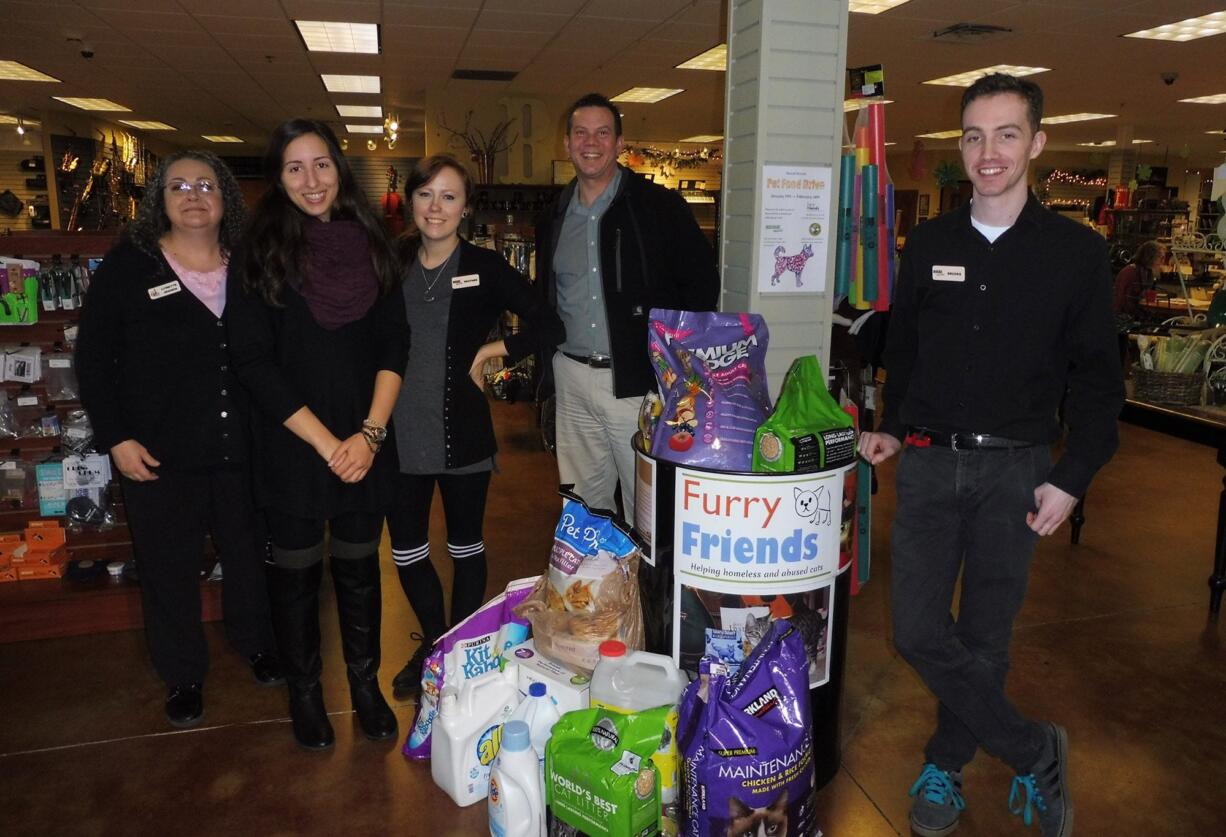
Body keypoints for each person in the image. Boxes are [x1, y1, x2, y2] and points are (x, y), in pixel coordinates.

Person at [858, 73, 1123, 837]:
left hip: (1018, 471)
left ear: (1037, 143)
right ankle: (1032, 746)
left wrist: (1071, 478)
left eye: (1007, 134)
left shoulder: (1075, 254)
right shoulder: (932, 244)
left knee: (984, 636)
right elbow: (904, 349)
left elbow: (1099, 387)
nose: (989, 151)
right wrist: (891, 423)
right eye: (974, 136)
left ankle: (945, 763)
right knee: (915, 630)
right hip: (933, 464)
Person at [76, 150, 282, 729]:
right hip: (159, 454)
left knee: (248, 557)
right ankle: (183, 675)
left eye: (206, 184)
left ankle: (258, 645)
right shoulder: (130, 266)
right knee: (168, 568)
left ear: (226, 199)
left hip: (244, 448)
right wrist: (115, 437)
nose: (193, 194)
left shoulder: (250, 263)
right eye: (178, 185)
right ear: (159, 200)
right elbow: (94, 358)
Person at [229, 120, 407, 751]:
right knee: (297, 576)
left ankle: (365, 686)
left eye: (322, 164)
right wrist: (328, 444)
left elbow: (395, 344)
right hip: (294, 446)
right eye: (295, 167)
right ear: (278, 179)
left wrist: (369, 434)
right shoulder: (260, 253)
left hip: (365, 444)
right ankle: (304, 692)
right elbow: (252, 361)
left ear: (340, 171)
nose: (311, 179)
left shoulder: (374, 245)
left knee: (360, 569)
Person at [386, 154, 564, 699]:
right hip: (394, 430)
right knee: (408, 549)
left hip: (460, 427)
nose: (435, 207)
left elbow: (548, 323)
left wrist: (494, 349)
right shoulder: (389, 264)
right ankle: (434, 646)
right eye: (425, 195)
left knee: (465, 546)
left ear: (466, 207)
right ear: (412, 201)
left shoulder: (484, 266)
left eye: (449, 196)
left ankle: (456, 650)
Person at [536, 93, 720, 524]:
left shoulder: (658, 207)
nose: (591, 142)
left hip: (639, 384)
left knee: (648, 506)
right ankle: (598, 590)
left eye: (603, 132)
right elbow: (545, 296)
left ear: (620, 144)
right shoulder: (555, 216)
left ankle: (646, 592)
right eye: (580, 133)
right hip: (573, 377)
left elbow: (702, 284)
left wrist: (673, 367)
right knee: (582, 506)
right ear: (566, 144)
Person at [1112, 239, 1165, 321]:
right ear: (1150, 256)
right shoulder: (1131, 272)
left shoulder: (1147, 271)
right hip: (1123, 317)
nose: (1162, 261)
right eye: (1160, 257)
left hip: (1134, 313)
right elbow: (1124, 300)